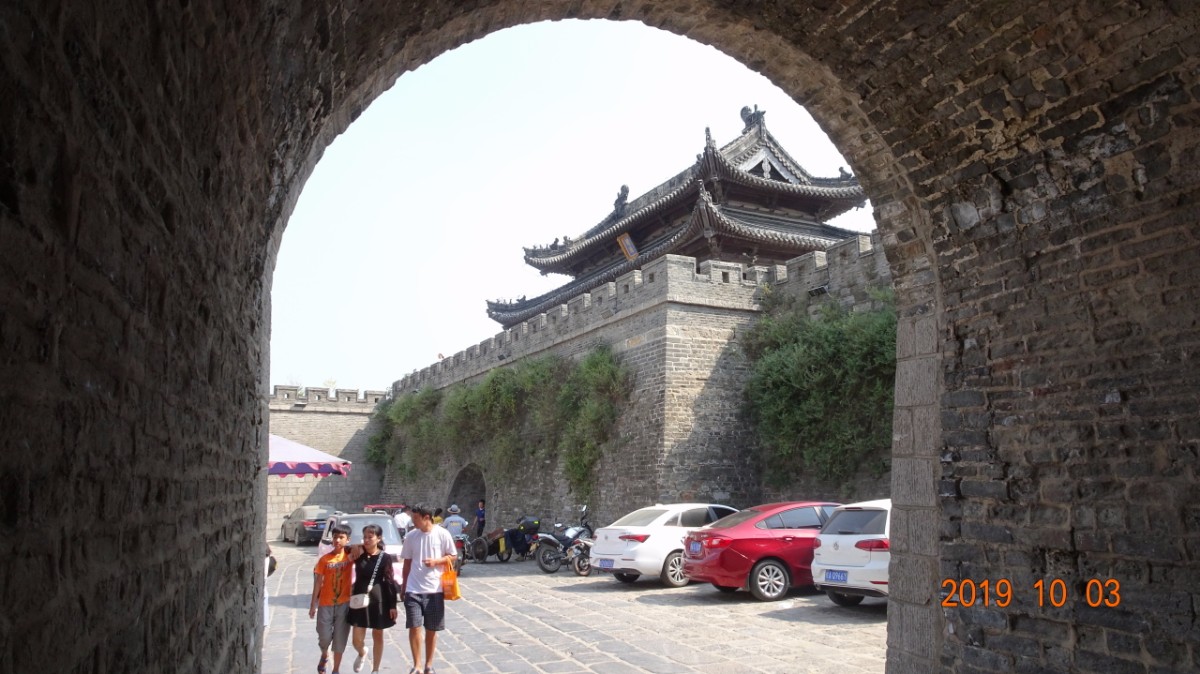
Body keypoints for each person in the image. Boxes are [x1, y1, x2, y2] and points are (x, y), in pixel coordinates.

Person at [399, 503, 457, 674]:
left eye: (415, 518)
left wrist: (436, 561)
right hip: (413, 589)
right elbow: (407, 563)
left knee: (431, 629)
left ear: (426, 517)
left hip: (435, 589)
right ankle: (417, 665)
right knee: (414, 626)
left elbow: (453, 556)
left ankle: (429, 665)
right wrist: (403, 586)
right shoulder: (411, 536)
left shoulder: (442, 534)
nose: (413, 521)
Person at [347, 524, 399, 674]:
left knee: (378, 634)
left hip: (378, 599)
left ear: (379, 538)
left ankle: (375, 669)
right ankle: (362, 652)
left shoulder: (385, 557)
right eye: (364, 537)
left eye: (370, 537)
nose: (367, 540)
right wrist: (357, 546)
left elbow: (389, 580)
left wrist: (392, 605)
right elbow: (342, 548)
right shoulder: (358, 554)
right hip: (359, 598)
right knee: (356, 639)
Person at [310, 523, 354, 674]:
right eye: (335, 537)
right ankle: (324, 654)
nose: (337, 540)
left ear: (348, 539)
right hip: (325, 603)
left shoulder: (350, 557)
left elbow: (366, 548)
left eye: (341, 537)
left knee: (340, 638)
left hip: (344, 603)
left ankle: (336, 669)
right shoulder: (324, 560)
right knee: (324, 636)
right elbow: (318, 582)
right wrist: (313, 605)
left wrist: (353, 548)